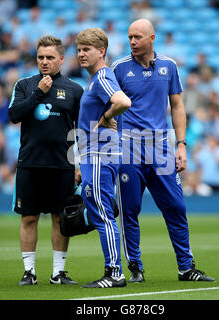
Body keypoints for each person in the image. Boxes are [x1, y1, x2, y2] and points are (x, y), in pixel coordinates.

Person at [111, 19, 215, 282]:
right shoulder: (119, 68)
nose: (132, 42)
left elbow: (177, 106)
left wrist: (181, 145)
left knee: (176, 206)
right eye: (129, 37)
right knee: (130, 210)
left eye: (137, 37)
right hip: (128, 149)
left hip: (161, 148)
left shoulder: (169, 66)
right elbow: (106, 108)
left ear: (152, 38)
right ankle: (135, 267)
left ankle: (186, 267)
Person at [8, 35, 83, 286]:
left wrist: (78, 163)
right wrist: (39, 94)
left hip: (62, 165)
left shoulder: (74, 89)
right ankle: (29, 272)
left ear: (61, 58)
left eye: (50, 57)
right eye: (40, 57)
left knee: (60, 218)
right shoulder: (24, 85)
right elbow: (14, 115)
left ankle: (58, 273)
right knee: (28, 217)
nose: (44, 61)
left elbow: (80, 130)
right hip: (30, 163)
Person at [76, 28, 131, 288]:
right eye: (78, 49)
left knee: (103, 214)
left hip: (100, 153)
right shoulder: (93, 80)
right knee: (101, 212)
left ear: (102, 52)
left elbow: (123, 101)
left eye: (86, 49)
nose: (81, 54)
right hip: (93, 154)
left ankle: (115, 272)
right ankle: (114, 269)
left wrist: (106, 118)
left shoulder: (102, 76)